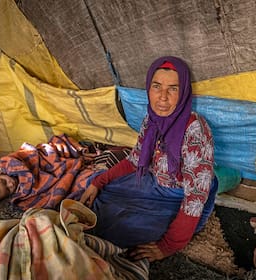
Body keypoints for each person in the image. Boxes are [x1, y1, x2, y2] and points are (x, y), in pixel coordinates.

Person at [80, 56, 216, 262]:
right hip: (152, 184)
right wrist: (99, 182)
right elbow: (135, 161)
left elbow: (194, 198)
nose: (162, 97)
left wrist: (168, 245)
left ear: (184, 92)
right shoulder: (151, 120)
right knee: (94, 184)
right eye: (156, 86)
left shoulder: (195, 128)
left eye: (173, 88)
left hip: (179, 197)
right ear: (148, 88)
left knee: (122, 229)